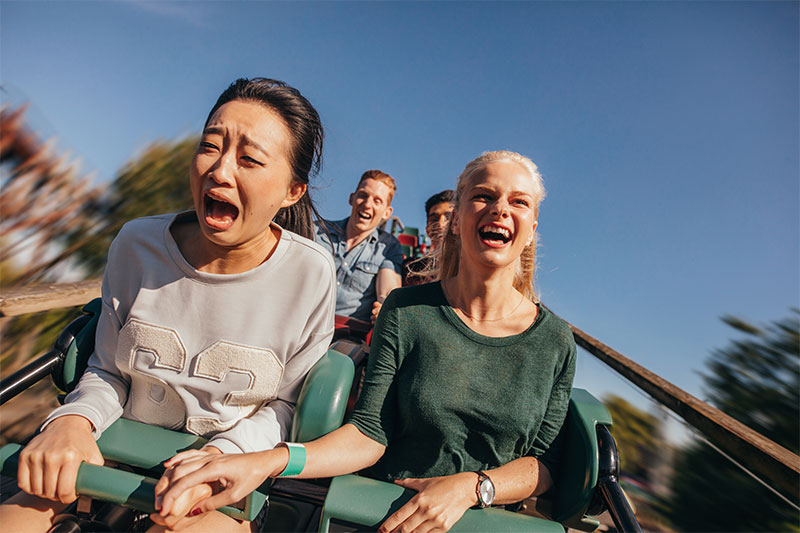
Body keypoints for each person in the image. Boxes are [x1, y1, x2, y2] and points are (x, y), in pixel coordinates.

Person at [154, 150, 577, 533]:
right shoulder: (407, 310)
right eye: (484, 196)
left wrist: (470, 488)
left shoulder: (555, 340)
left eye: (518, 201)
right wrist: (267, 460)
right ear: (460, 215)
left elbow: (544, 463)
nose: (500, 209)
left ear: (532, 226)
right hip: (389, 513)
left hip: (486, 518)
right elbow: (370, 433)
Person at [0, 78, 336, 533]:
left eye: (250, 159)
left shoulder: (311, 274)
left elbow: (284, 406)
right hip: (106, 456)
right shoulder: (136, 244)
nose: (220, 171)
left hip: (221, 485)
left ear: (291, 192)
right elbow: (108, 369)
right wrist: (73, 421)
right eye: (210, 146)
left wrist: (222, 457)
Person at [315, 170, 403, 323]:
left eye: (377, 201)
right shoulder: (316, 231)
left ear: (387, 213)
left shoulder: (388, 247)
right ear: (351, 198)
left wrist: (384, 306)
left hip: (347, 336)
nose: (367, 204)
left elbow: (388, 292)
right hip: (300, 323)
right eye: (363, 195)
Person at [403, 189, 454, 285]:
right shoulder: (410, 271)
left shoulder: (478, 270)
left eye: (449, 217)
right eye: (434, 219)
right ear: (427, 229)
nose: (440, 224)